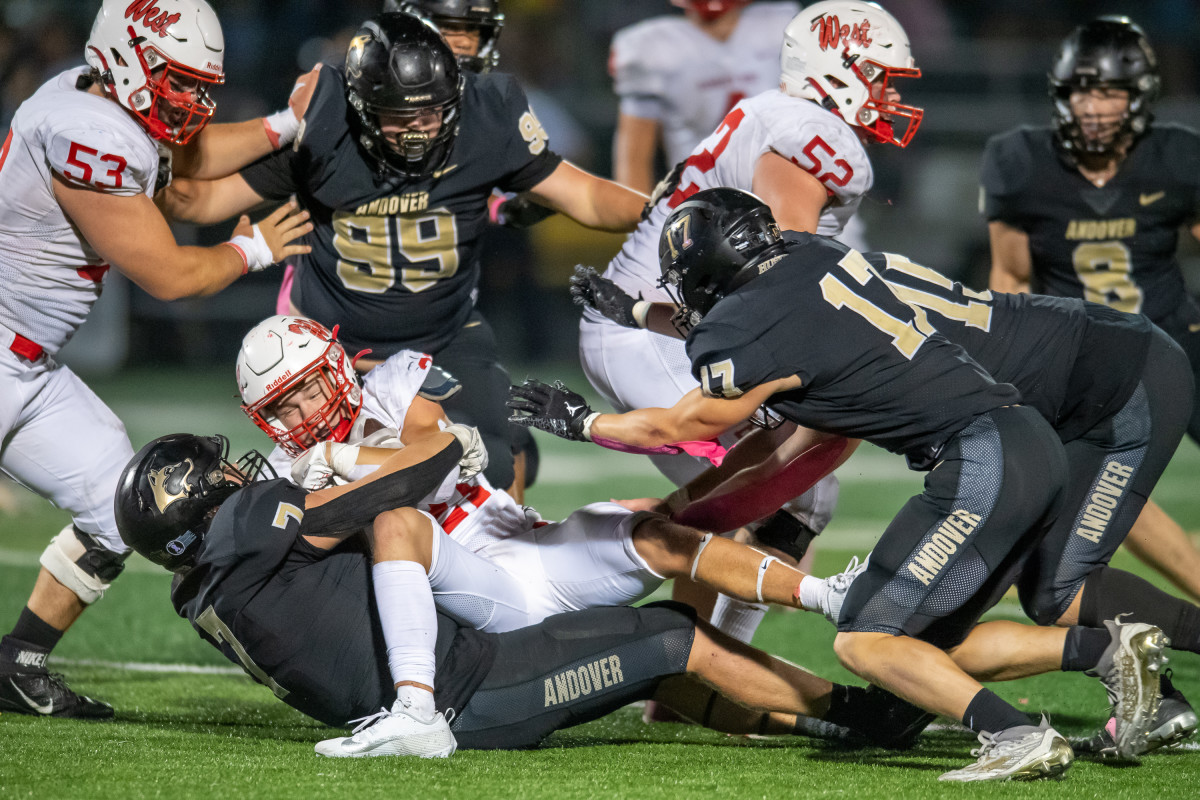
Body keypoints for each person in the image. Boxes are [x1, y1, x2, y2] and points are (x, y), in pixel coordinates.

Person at [511, 188, 1173, 778]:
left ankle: (1015, 733)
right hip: (1025, 441)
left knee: (864, 641)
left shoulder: (742, 327)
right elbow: (778, 330)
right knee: (926, 649)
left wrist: (583, 419)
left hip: (980, 458)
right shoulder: (808, 255)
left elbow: (688, 424)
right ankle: (1108, 650)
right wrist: (635, 314)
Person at [112, 430, 1160, 768]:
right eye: (221, 478)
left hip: (481, 649)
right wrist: (433, 458)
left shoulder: (203, 586)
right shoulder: (251, 532)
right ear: (202, 507)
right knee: (667, 635)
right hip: (475, 692)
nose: (244, 476)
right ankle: (862, 706)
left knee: (666, 621)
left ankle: (853, 711)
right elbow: (374, 508)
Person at [159, 11, 647, 497]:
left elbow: (587, 197)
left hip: (444, 333)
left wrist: (669, 207)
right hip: (338, 351)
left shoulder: (485, 114)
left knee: (498, 464)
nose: (417, 129)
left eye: (430, 112)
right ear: (363, 105)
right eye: (399, 116)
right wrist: (128, 159)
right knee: (322, 495)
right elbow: (198, 200)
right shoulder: (327, 120)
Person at [579, 0, 922, 665]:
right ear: (840, 73)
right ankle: (649, 641)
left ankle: (693, 666)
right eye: (879, 78)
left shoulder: (787, 116)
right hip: (661, 328)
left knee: (782, 492)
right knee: (778, 486)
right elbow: (783, 272)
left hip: (666, 320)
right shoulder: (814, 136)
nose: (888, 97)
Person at [0, 0, 312, 719]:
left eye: (202, 84)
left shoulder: (90, 96)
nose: (196, 101)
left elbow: (191, 173)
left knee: (122, 506)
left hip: (29, 364)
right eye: (181, 81)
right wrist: (254, 248)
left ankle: (17, 662)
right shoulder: (89, 135)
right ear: (128, 60)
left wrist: (286, 124)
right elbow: (172, 276)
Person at [983, 16, 1200, 605]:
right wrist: (1015, 368)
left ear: (1139, 96)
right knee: (1114, 487)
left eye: (1108, 91)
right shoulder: (1021, 161)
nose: (1093, 106)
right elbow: (1011, 276)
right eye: (1082, 90)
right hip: (1087, 359)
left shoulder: (1178, 156)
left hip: (1179, 334)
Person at [610, 0, 800, 195]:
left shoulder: (782, 23)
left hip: (781, 193)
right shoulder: (649, 47)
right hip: (699, 203)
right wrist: (638, 223)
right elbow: (634, 160)